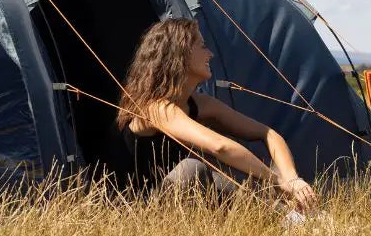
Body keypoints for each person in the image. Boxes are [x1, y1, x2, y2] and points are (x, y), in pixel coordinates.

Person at [117, 18, 317, 211]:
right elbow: (220, 147)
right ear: (181, 53)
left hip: (178, 202)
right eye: (202, 46)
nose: (210, 54)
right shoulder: (156, 108)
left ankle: (291, 217)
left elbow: (267, 133)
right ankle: (289, 217)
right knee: (192, 169)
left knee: (227, 168)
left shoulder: (200, 104)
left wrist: (291, 178)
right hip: (139, 205)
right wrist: (277, 181)